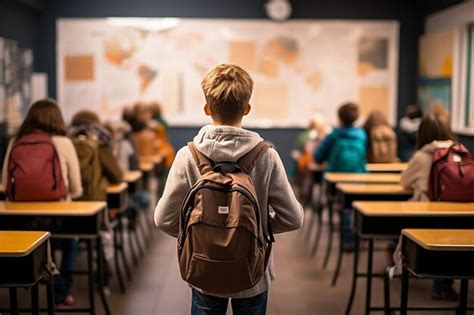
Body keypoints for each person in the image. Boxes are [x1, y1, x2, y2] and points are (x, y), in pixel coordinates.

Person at [154, 64, 303, 315]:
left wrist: (198, 233)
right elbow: (293, 218)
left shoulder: (187, 156)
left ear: (207, 109)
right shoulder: (267, 156)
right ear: (247, 108)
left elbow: (163, 219)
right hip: (253, 271)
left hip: (203, 266)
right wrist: (257, 230)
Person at [1, 99, 83, 307]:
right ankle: (61, 292)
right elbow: (76, 186)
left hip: (19, 216)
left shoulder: (16, 141)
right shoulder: (64, 142)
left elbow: (4, 183)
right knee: (70, 240)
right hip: (58, 215)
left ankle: (26, 277)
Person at [400, 115, 459, 300]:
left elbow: (404, 181)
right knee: (451, 242)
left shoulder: (421, 156)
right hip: (457, 211)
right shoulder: (459, 151)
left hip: (425, 213)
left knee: (406, 230)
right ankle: (443, 286)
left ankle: (400, 256)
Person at [314, 103, 367, 250]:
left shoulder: (334, 135)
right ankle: (359, 238)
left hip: (336, 180)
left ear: (339, 117)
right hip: (360, 179)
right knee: (357, 207)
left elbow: (317, 157)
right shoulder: (362, 135)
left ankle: (347, 241)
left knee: (343, 207)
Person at [69, 110, 123, 200]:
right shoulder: (100, 142)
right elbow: (116, 175)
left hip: (69, 199)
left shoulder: (68, 141)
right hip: (93, 200)